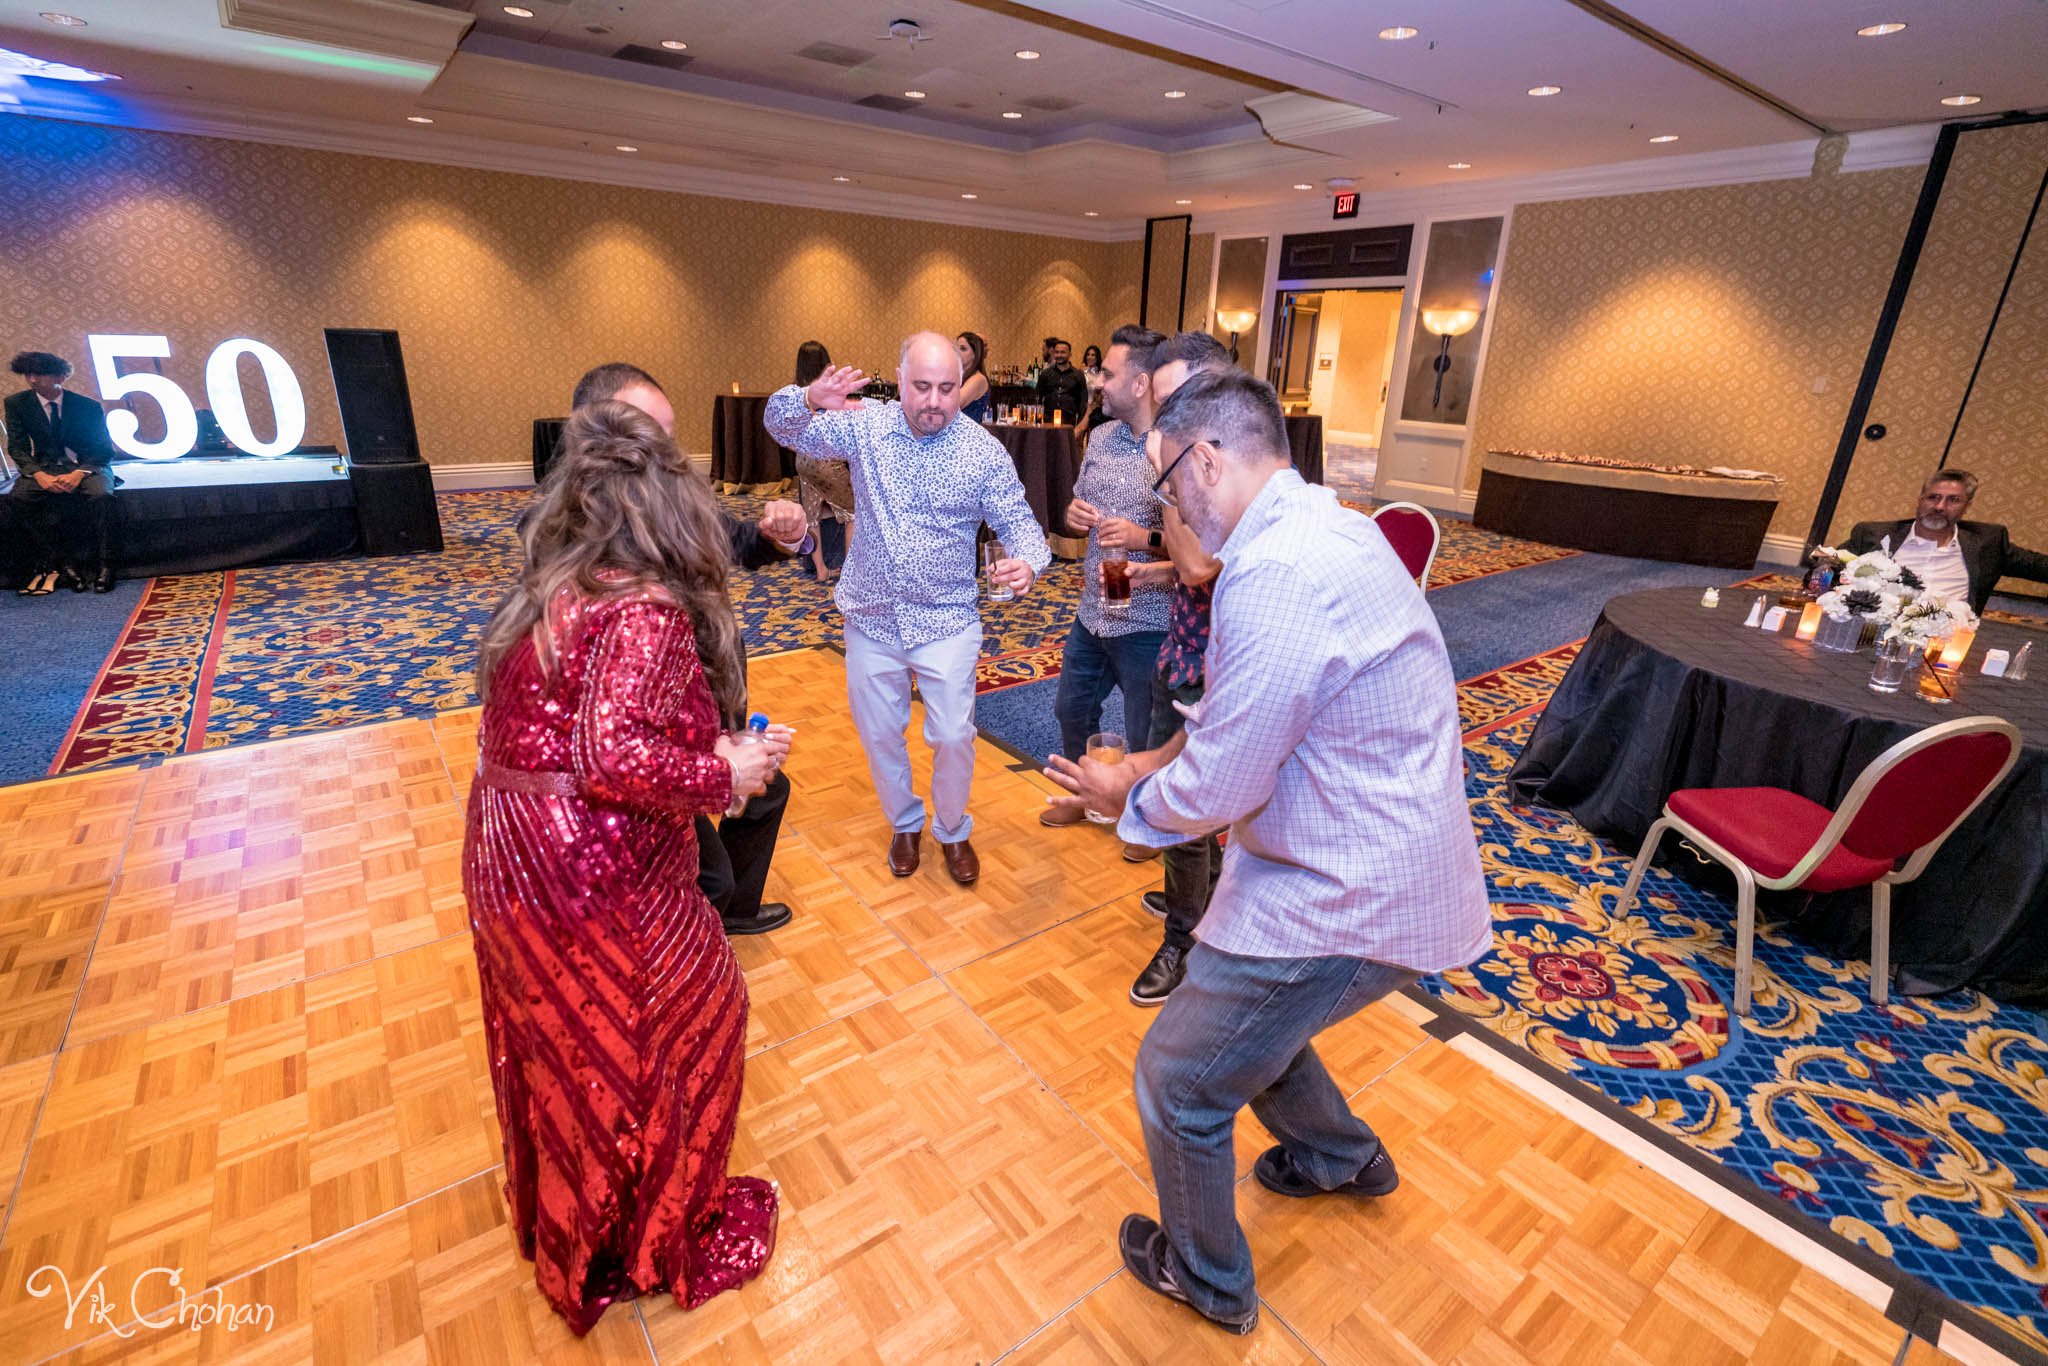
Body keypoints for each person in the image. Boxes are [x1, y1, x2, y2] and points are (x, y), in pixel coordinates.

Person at [1043, 368, 1491, 1336]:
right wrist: (1147, 772)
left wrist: (1125, 797)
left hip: (1348, 885)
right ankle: (1338, 1157)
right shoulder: (1318, 525)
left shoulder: (1277, 573)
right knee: (1247, 1025)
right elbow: (1237, 724)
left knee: (1179, 1080)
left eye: (1167, 482)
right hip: (1353, 853)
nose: (1169, 505)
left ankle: (1208, 1278)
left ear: (1205, 458)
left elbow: (1221, 784)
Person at [464, 400, 783, 1334]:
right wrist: (723, 769)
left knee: (575, 1051)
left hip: (510, 848)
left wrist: (713, 755)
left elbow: (570, 734)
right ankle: (651, 1237)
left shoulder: (557, 590)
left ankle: (585, 1232)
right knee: (694, 1025)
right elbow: (612, 755)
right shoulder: (644, 609)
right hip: (588, 866)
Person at [765, 332, 1050, 885]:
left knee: (952, 735)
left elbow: (1021, 524)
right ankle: (904, 821)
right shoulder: (867, 425)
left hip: (947, 618)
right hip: (872, 616)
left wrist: (1030, 564)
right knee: (879, 732)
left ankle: (952, 829)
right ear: (899, 382)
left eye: (947, 388)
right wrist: (807, 398)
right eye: (922, 387)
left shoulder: (980, 449)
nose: (935, 401)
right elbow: (781, 427)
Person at [570, 362, 806, 937]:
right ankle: (691, 947)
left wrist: (781, 534)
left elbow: (742, 543)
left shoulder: (674, 502)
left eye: (669, 435)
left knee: (768, 791)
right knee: (707, 880)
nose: (666, 454)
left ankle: (730, 917)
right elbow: (610, 739)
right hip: (647, 748)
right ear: (595, 442)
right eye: (647, 436)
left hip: (702, 713)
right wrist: (710, 762)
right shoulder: (572, 542)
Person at [1117, 329, 1231, 1005]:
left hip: (1217, 672)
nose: (1162, 416)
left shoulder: (1231, 478)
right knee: (1185, 807)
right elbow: (1190, 574)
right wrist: (1150, 573)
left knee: (1183, 810)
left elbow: (1201, 564)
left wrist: (1163, 493)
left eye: (1173, 399)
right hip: (1181, 647)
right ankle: (1200, 903)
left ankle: (1185, 941)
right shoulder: (1192, 467)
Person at [1044, 324, 1169, 865]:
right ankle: (1086, 794)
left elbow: (1204, 550)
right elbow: (1079, 505)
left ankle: (1143, 819)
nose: (1098, 382)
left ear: (1140, 383)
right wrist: (1073, 516)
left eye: (1108, 374)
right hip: (1094, 609)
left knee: (1145, 730)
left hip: (1148, 615)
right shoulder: (1100, 437)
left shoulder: (1173, 447)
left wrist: (1145, 538)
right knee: (1071, 707)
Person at [1844, 468, 2048, 615]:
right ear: (1920, 499)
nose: (1940, 506)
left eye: (1953, 500)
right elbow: (1825, 562)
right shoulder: (1875, 534)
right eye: (1933, 497)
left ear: (1967, 506)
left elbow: (2039, 566)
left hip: (1944, 646)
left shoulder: (1987, 544)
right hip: (1869, 634)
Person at [6, 350, 120, 594]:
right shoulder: (17, 404)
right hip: (45, 467)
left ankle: (106, 566)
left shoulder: (87, 406)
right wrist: (38, 474)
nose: (33, 380)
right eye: (28, 374)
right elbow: (18, 447)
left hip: (87, 464)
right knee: (19, 499)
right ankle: (63, 563)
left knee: (102, 496)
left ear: (61, 377)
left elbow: (103, 450)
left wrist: (79, 473)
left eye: (40, 375)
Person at [790, 340, 856, 584]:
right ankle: (849, 572)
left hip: (803, 461)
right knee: (853, 512)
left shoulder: (796, 395)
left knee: (811, 517)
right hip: (826, 461)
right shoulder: (830, 391)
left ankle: (821, 569)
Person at [1036, 339, 1088, 426]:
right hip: (1047, 420)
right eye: (1057, 352)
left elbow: (1083, 402)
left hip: (1069, 421)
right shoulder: (1045, 374)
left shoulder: (1078, 375)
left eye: (1063, 352)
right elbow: (1038, 398)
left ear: (1070, 354)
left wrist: (1080, 424)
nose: (1059, 355)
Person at [956, 332, 992, 424]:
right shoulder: (959, 375)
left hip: (966, 436)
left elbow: (955, 405)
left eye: (963, 349)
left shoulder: (978, 379)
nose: (957, 351)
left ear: (975, 354)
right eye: (956, 347)